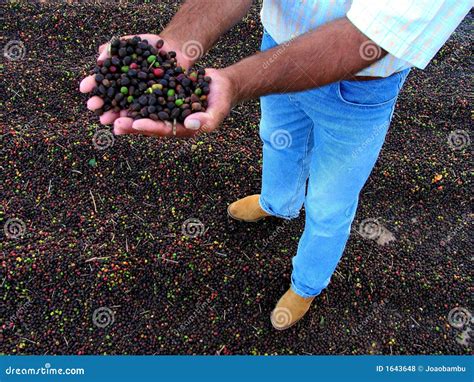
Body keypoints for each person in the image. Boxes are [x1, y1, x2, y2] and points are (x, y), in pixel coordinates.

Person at [80, 0, 471, 330]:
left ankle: (307, 284)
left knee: (330, 200)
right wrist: (178, 43)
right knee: (279, 139)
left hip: (360, 86)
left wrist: (233, 82)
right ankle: (277, 204)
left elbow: (366, 38)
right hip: (277, 51)